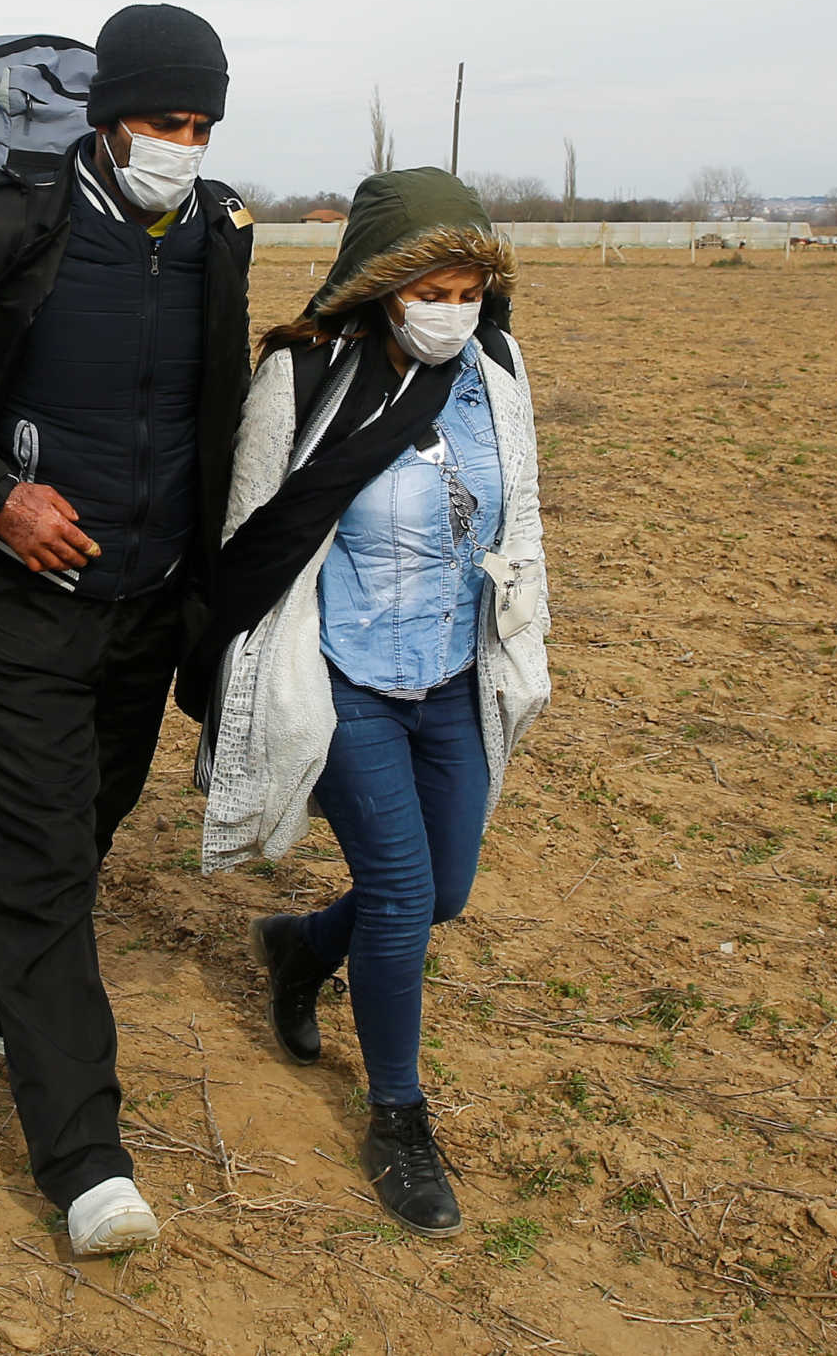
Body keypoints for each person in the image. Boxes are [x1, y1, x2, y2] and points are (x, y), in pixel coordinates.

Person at [0, 4, 253, 1256]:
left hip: (145, 610)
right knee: (43, 866)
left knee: (88, 823)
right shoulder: (10, 222)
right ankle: (87, 1160)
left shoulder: (216, 238)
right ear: (104, 116)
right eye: (158, 122)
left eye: (200, 125)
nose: (181, 144)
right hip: (15, 612)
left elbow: (224, 408)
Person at [198, 169, 549, 1238]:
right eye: (431, 285)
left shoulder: (496, 368)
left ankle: (302, 946)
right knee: (400, 892)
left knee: (445, 887)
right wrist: (235, 689)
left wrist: (523, 637)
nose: (453, 306)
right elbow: (252, 542)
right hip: (343, 675)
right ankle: (398, 1116)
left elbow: (520, 511)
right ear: (380, 285)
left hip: (451, 674)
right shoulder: (305, 379)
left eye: (470, 285)